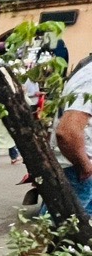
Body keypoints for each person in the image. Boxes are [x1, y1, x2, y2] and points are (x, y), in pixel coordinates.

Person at [52, 55, 92, 215]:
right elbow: (67, 132)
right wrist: (85, 167)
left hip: (78, 171)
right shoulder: (89, 78)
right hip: (79, 173)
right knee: (63, 234)